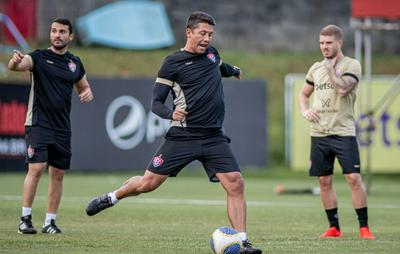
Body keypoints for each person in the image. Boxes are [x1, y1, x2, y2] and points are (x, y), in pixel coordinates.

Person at [85, 11, 262, 254]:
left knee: (236, 183)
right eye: (202, 33)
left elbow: (220, 67)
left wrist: (235, 70)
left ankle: (242, 243)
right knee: (148, 184)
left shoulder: (212, 54)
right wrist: (171, 114)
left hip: (213, 137)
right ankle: (112, 196)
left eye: (210, 34)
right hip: (183, 136)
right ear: (189, 32)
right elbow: (156, 103)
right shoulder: (172, 63)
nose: (207, 39)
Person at [8, 18, 94, 234]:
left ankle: (50, 222)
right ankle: (25, 219)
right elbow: (18, 65)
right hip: (39, 122)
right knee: (36, 168)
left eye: (62, 32)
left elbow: (83, 86)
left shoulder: (74, 62)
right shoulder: (38, 57)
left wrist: (86, 93)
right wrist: (14, 61)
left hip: (62, 126)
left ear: (70, 36)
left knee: (58, 174)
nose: (57, 35)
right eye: (54, 31)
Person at [299, 24, 375, 240]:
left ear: (339, 43)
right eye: (321, 43)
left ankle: (364, 228)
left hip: (343, 132)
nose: (324, 47)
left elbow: (343, 88)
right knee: (324, 181)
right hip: (319, 133)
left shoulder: (352, 64)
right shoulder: (315, 68)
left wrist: (331, 68)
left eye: (328, 43)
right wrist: (305, 111)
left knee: (353, 177)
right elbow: (303, 94)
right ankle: (334, 228)